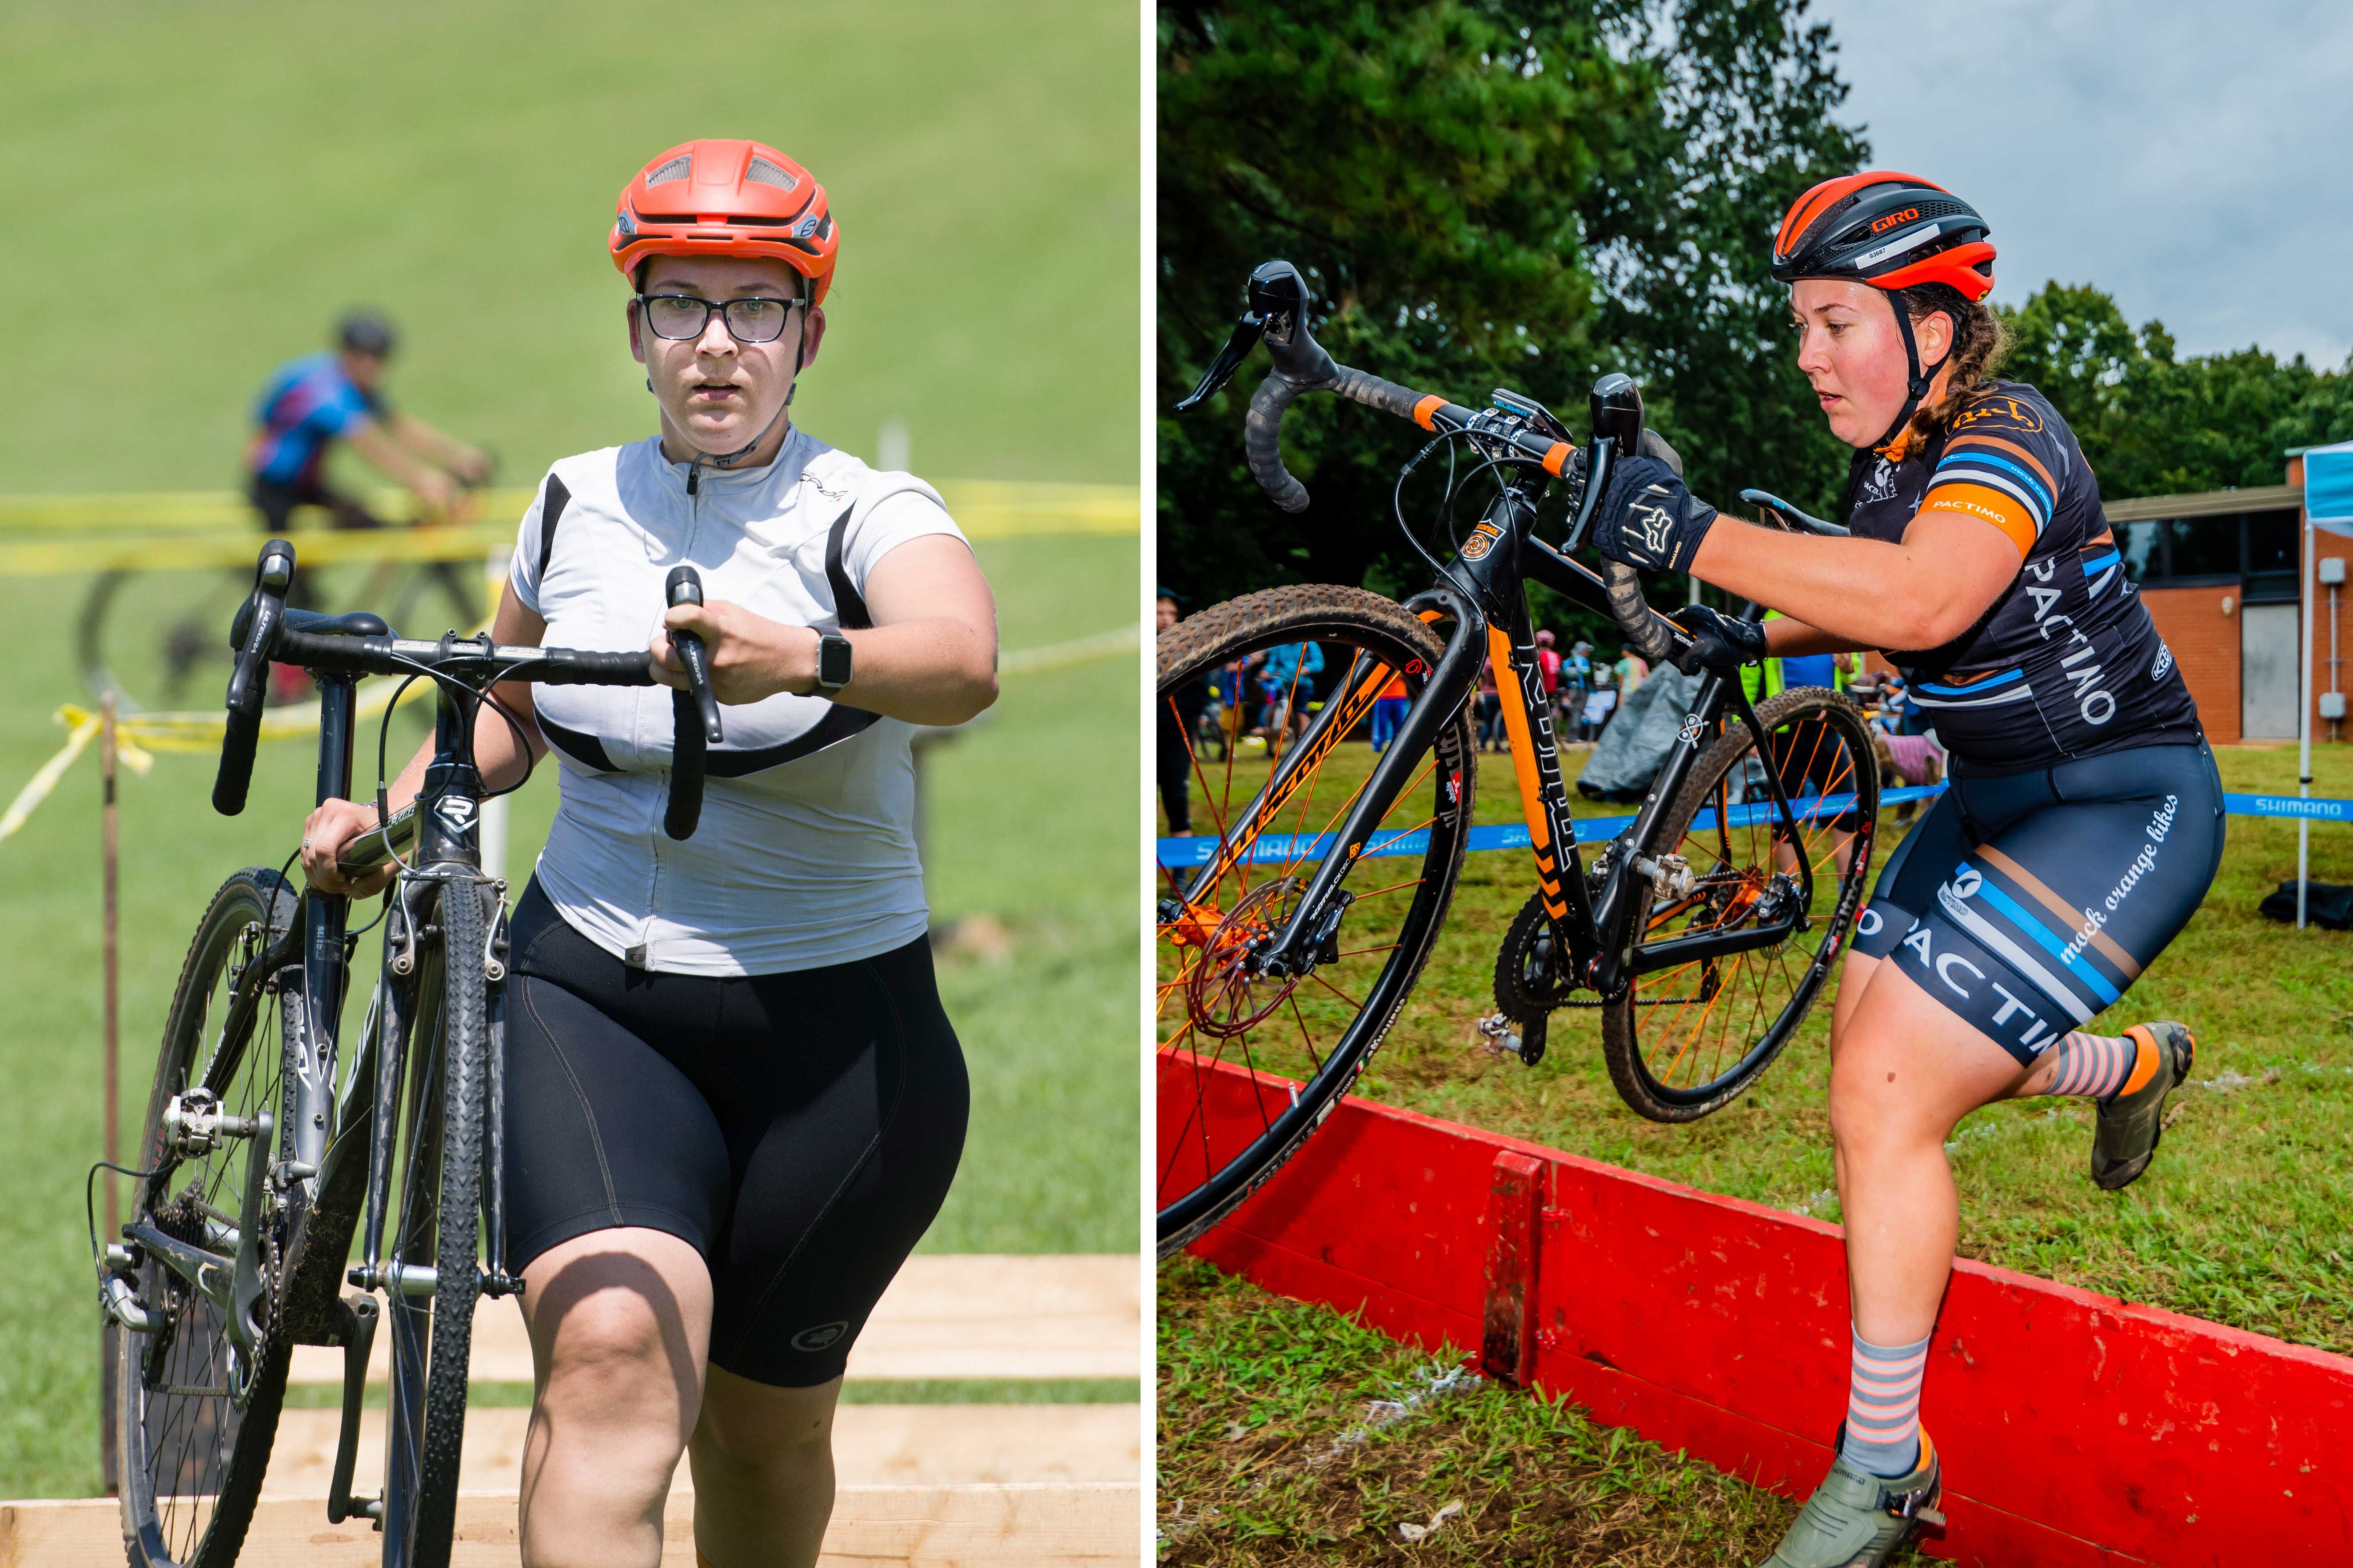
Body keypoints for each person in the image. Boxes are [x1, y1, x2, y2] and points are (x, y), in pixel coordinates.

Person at [301, 138, 995, 1568]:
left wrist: (801, 654)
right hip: (591, 1000)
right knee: (611, 1359)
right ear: (635, 330)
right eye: (681, 306)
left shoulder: (865, 510)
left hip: (843, 1044)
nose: (717, 344)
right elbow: (505, 710)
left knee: (764, 1428)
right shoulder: (569, 502)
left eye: (757, 308)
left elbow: (963, 661)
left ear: (809, 331)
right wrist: (386, 809)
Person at [1580, 170, 2219, 1567]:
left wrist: (1681, 532)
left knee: (1884, 1094)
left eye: (1833, 325)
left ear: (1933, 324)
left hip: (2122, 808)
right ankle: (2125, 1072)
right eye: (1800, 327)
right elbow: (1864, 612)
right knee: (1871, 1070)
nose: (1808, 358)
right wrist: (1722, 634)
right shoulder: (1882, 464)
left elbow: (1925, 595)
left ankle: (1882, 1472)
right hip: (1992, 802)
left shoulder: (2005, 436)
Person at [247, 310, 494, 624]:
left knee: (364, 522)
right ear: (348, 355)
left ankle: (312, 602)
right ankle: (287, 656)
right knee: (288, 583)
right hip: (275, 488)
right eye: (369, 360)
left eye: (381, 360)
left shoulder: (352, 384)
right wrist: (423, 479)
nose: (376, 369)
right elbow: (369, 444)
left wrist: (458, 456)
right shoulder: (327, 390)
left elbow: (399, 426)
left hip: (305, 484)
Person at [1157, 590, 1206, 832]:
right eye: (1159, 613)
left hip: (1177, 733)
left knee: (1176, 795)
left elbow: (1200, 693)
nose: (1166, 619)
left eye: (1171, 613)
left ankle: (1179, 871)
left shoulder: (1187, 648)